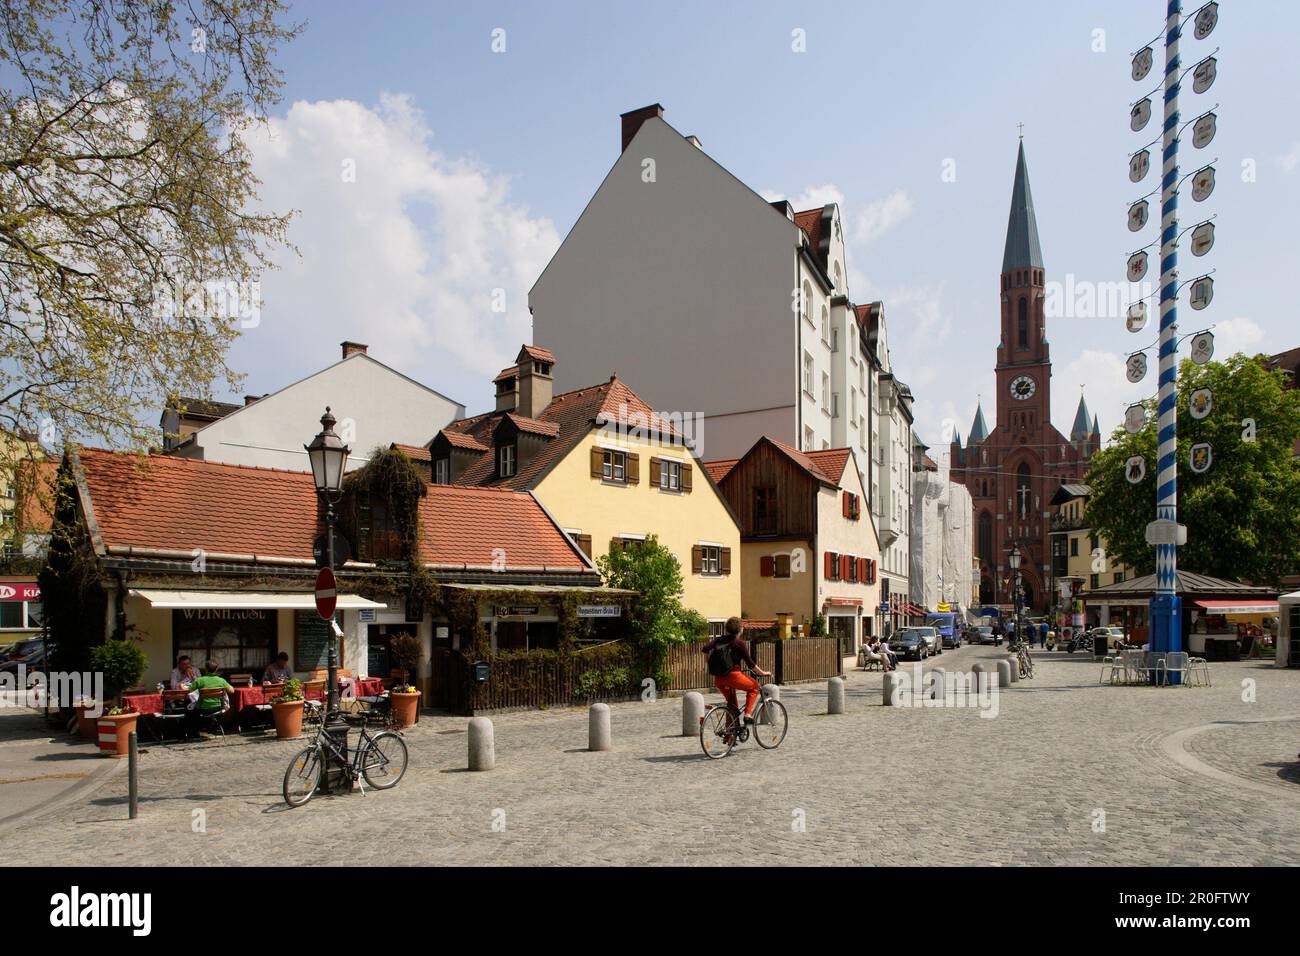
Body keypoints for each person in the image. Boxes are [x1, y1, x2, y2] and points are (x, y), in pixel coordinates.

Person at [701, 617, 771, 725]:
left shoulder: (719, 640)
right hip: (734, 677)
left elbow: (705, 649)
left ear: (727, 629)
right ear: (740, 629)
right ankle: (748, 714)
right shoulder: (739, 643)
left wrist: (708, 662)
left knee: (732, 705)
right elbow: (750, 664)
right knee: (754, 687)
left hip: (719, 679)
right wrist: (763, 673)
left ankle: (730, 735)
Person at [185, 660, 234, 738]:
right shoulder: (221, 680)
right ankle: (211, 727)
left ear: (206, 669)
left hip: (202, 709)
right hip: (217, 708)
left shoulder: (200, 680)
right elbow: (232, 690)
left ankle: (194, 732)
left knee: (189, 710)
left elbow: (189, 691)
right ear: (216, 669)